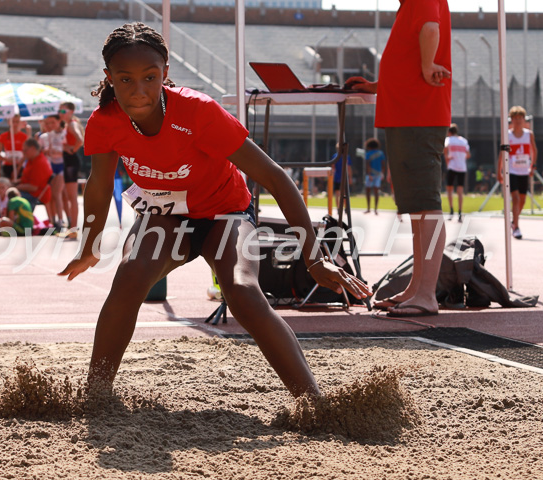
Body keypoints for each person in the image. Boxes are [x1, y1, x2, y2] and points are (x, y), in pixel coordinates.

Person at [58, 23, 371, 398]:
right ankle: (95, 395)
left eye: (149, 77)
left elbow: (275, 178)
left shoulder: (198, 112)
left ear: (165, 74)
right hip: (167, 218)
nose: (138, 91)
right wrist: (90, 245)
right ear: (109, 77)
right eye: (125, 80)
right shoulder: (105, 122)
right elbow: (97, 185)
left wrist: (315, 258)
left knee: (241, 291)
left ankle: (314, 403)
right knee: (129, 276)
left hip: (225, 214)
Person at [347, 0, 451, 318]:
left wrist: (427, 65)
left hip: (417, 114)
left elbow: (430, 29)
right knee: (418, 207)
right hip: (408, 112)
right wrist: (381, 86)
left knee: (425, 206)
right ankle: (416, 289)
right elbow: (412, 50)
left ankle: (426, 294)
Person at [498, 106, 537, 240]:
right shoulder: (507, 135)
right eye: (515, 118)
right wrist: (500, 171)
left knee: (522, 200)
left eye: (520, 118)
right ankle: (517, 227)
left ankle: (514, 221)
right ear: (511, 120)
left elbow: (534, 150)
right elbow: (502, 154)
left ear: (524, 119)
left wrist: (533, 166)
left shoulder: (529, 134)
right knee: (515, 198)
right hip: (512, 171)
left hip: (524, 171)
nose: (518, 121)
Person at [59, 102, 85, 238]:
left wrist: (71, 150)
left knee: (72, 197)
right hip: (68, 160)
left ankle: (73, 228)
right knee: (67, 196)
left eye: (63, 111)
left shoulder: (71, 124)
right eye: (60, 111)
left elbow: (80, 140)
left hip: (70, 161)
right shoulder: (67, 124)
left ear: (70, 112)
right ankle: (71, 227)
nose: (60, 114)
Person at [39, 114, 67, 229]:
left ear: (58, 122)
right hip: (49, 166)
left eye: (52, 122)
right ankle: (52, 220)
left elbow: (68, 149)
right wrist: (46, 151)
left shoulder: (64, 133)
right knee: (49, 195)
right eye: (47, 123)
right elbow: (39, 151)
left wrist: (59, 152)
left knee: (57, 193)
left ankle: (61, 220)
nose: (49, 125)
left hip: (61, 165)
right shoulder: (44, 136)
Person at [15, 138, 53, 210]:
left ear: (32, 149)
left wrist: (15, 187)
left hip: (35, 195)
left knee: (11, 197)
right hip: (29, 192)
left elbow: (33, 188)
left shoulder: (39, 163)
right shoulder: (31, 160)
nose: (23, 152)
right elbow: (25, 179)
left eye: (25, 150)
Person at [443, 123, 470, 222]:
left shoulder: (448, 140)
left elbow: (445, 151)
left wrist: (448, 160)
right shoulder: (464, 141)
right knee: (460, 191)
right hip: (462, 168)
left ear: (449, 132)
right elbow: (468, 155)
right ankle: (459, 212)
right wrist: (460, 157)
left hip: (452, 167)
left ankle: (451, 211)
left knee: (449, 189)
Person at [0, 114, 28, 180]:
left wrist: (18, 168)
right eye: (13, 121)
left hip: (20, 166)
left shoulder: (25, 137)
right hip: (7, 166)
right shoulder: (3, 136)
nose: (15, 124)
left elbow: (26, 154)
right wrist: (7, 160)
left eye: (17, 122)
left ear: (20, 123)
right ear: (9, 122)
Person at [363, 138, 386, 215]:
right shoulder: (381, 153)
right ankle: (375, 209)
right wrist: (382, 173)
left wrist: (369, 174)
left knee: (368, 191)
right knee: (376, 192)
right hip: (378, 175)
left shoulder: (368, 153)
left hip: (370, 175)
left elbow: (367, 164)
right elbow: (383, 164)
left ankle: (368, 208)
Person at [330, 145, 352, 209]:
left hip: (338, 177)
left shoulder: (335, 156)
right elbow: (349, 168)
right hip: (344, 177)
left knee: (337, 193)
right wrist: (350, 177)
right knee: (344, 193)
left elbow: (333, 168)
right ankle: (345, 208)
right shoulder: (346, 157)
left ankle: (339, 208)